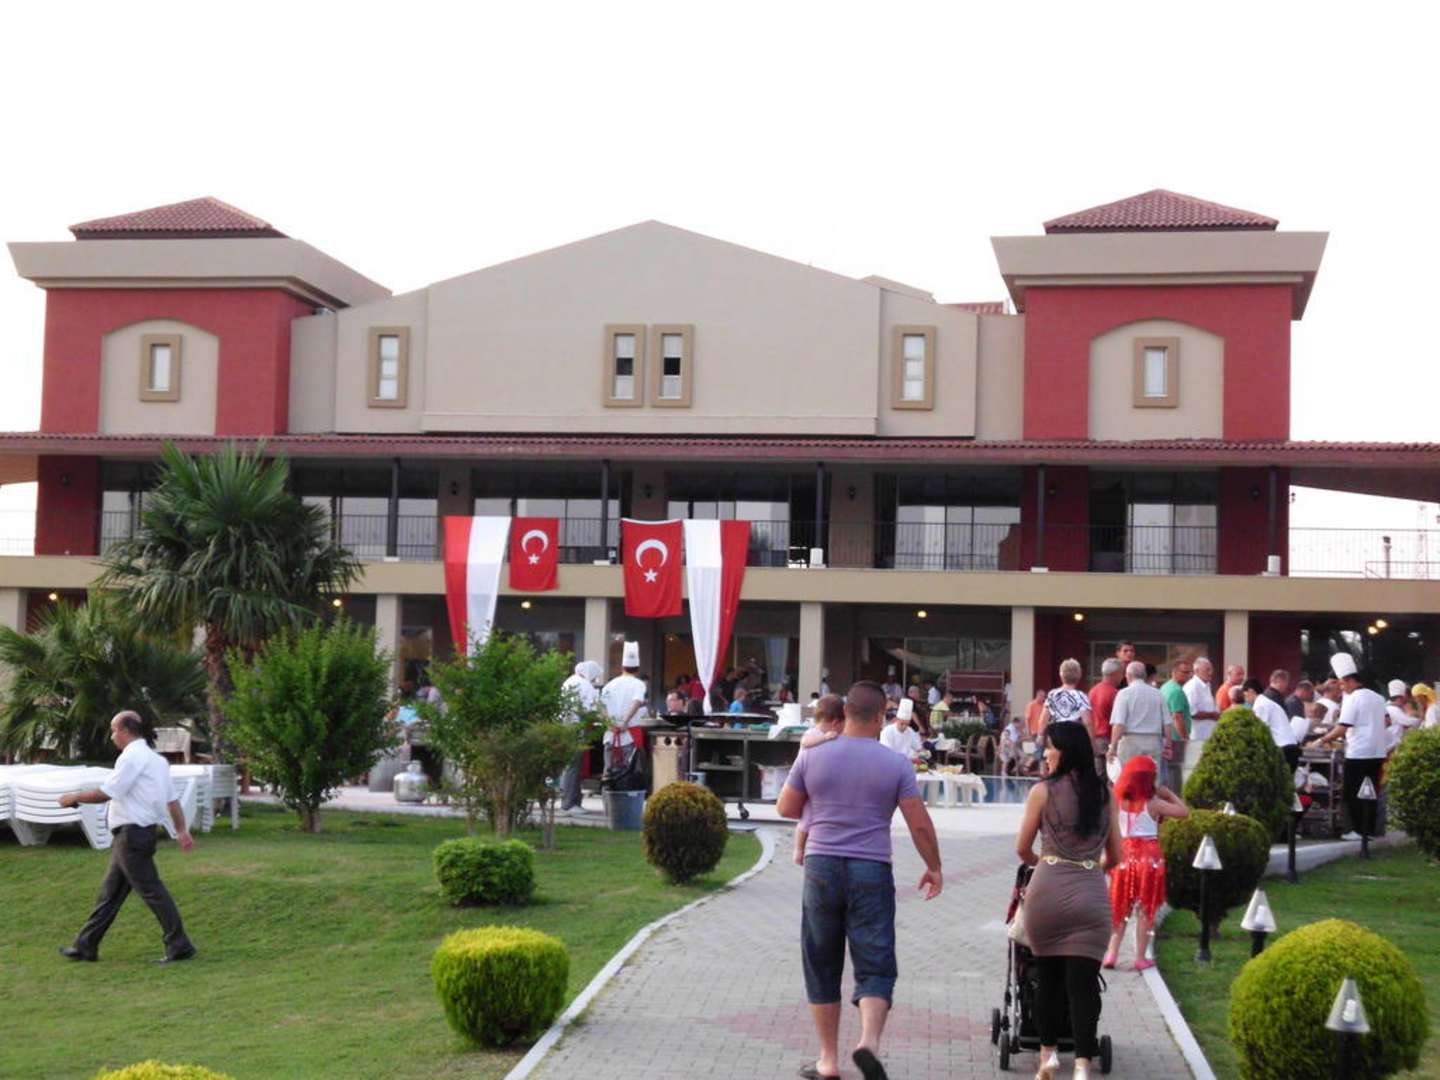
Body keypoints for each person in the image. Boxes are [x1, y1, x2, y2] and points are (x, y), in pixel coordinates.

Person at [777, 681, 943, 1080]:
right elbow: (918, 823)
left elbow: (786, 807)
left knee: (821, 959)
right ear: (881, 716)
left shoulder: (812, 755)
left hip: (821, 865)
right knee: (876, 959)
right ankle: (867, 1042)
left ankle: (828, 1060)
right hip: (872, 868)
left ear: (846, 712)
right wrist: (934, 866)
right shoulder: (895, 764)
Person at [1015, 721, 1122, 1080]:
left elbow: (1022, 848)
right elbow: (1116, 856)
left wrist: (1047, 864)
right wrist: (1088, 868)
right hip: (1090, 895)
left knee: (1046, 978)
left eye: (1049, 746)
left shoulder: (1042, 792)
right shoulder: (1105, 795)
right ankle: (1082, 1065)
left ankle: (1047, 1057)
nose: (1044, 753)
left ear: (1065, 751)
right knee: (1084, 986)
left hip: (1047, 891)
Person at [58, 711, 197, 964]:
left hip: (131, 836)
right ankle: (85, 946)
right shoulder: (157, 761)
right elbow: (173, 800)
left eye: (113, 730)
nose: (112, 736)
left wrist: (74, 797)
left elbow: (108, 792)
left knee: (152, 891)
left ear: (125, 731)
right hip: (138, 835)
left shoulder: (131, 757)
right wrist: (181, 830)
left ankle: (179, 945)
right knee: (110, 895)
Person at [1104, 755, 1188, 971]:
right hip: (1148, 859)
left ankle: (1111, 954)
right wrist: (1169, 794)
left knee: (1120, 907)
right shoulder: (1154, 804)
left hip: (1124, 856)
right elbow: (1184, 812)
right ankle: (1140, 957)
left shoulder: (1118, 801)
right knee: (1145, 909)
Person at [1317, 653, 1389, 842]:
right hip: (1377, 752)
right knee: (1371, 792)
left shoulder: (1353, 699)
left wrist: (1323, 739)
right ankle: (1370, 830)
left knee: (1353, 792)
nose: (1342, 688)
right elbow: (1387, 721)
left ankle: (1357, 830)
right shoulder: (1378, 697)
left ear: (1349, 681)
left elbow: (1342, 727)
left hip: (1359, 753)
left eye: (1342, 684)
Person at [792, 694, 846, 865]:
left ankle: (810, 846)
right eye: (842, 724)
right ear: (835, 722)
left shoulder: (831, 734)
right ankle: (798, 849)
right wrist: (825, 737)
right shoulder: (813, 733)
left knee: (814, 817)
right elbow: (805, 742)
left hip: (817, 782)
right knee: (807, 818)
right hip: (806, 782)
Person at [558, 659, 602, 815]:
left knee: (570, 765)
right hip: (575, 727)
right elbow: (591, 709)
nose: (595, 680)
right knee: (573, 766)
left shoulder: (570, 681)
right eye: (595, 676)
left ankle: (573, 801)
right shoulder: (585, 685)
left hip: (565, 726)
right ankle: (569, 804)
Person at [1107, 661, 1167, 769]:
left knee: (1129, 775)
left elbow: (1119, 724)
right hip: (1153, 741)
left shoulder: (1123, 694)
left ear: (1129, 676)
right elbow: (1167, 722)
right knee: (1152, 776)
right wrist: (1168, 746)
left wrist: (1113, 747)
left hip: (1130, 742)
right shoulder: (1158, 694)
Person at [600, 642, 648, 765]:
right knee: (629, 772)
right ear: (638, 669)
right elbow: (637, 702)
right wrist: (624, 722)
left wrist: (609, 723)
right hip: (629, 736)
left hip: (610, 736)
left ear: (622, 667)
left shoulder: (610, 684)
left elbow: (601, 706)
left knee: (609, 771)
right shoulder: (638, 684)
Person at [1243, 677, 1300, 772]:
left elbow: (1258, 730)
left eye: (1245, 695)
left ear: (1250, 691)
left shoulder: (1260, 705)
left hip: (1283, 749)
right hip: (1290, 748)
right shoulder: (1267, 702)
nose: (1245, 700)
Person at [1158, 660, 1193, 792]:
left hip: (1166, 737)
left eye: (1189, 672)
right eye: (1184, 672)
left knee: (1167, 771)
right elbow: (1177, 716)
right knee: (1176, 771)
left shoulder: (1166, 687)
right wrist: (1184, 737)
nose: (1188, 675)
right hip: (1175, 738)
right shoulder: (1176, 691)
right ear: (1174, 672)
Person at [1088, 659, 1123, 774]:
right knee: (1112, 774)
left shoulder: (1092, 691)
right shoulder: (1114, 694)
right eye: (1121, 673)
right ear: (1114, 674)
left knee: (1098, 773)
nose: (1122, 677)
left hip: (1094, 738)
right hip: (1108, 738)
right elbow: (1119, 720)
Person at [1042, 659, 1092, 731]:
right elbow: (1087, 722)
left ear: (1061, 675)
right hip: (1074, 734)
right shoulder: (1081, 696)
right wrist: (1091, 737)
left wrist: (1040, 735)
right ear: (1079, 675)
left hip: (1056, 734)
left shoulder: (1052, 694)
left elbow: (1043, 720)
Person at [1184, 658, 1221, 742]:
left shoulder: (1207, 685)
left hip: (1209, 735)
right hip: (1198, 736)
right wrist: (1212, 715)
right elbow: (1192, 712)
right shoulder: (1192, 687)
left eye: (1211, 669)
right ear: (1197, 671)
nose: (1210, 673)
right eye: (1207, 670)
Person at [1385, 679, 1417, 750]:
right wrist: (1411, 713)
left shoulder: (1394, 707)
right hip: (1391, 748)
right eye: (1407, 695)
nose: (1408, 700)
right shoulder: (1392, 709)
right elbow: (1411, 722)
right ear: (1402, 696)